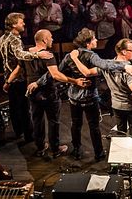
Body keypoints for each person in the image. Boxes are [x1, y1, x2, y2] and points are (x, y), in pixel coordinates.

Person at [61, 29, 132, 161]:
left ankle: (77, 151)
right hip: (89, 97)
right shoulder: (91, 55)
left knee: (75, 125)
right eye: (94, 39)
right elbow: (104, 65)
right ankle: (99, 153)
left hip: (73, 97)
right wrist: (123, 66)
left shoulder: (69, 55)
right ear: (88, 43)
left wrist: (73, 81)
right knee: (94, 126)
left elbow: (58, 73)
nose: (96, 40)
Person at [10, 29, 85, 157]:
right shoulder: (48, 55)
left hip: (32, 92)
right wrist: (74, 81)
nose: (52, 39)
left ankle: (40, 147)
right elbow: (55, 75)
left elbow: (18, 70)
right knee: (53, 120)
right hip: (48, 92)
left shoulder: (26, 53)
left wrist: (8, 82)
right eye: (50, 37)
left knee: (37, 120)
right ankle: (55, 149)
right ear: (44, 40)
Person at [0, 12, 54, 143]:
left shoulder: (2, 38)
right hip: (18, 77)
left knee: (15, 106)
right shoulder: (14, 39)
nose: (23, 23)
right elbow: (19, 55)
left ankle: (19, 132)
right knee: (24, 108)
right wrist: (37, 55)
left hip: (9, 75)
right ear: (13, 25)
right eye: (20, 21)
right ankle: (29, 135)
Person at [69, 38, 132, 135]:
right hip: (131, 106)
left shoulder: (107, 65)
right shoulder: (129, 69)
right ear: (124, 52)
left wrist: (75, 59)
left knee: (121, 134)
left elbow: (87, 72)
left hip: (116, 105)